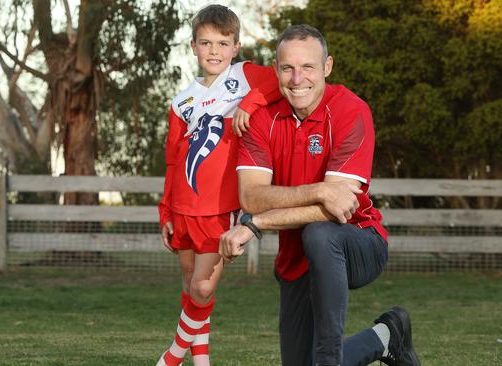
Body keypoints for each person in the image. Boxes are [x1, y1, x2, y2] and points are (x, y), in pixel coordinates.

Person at [219, 24, 421, 366]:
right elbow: (251, 197)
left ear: (327, 66)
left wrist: (256, 225)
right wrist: (319, 190)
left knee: (320, 233)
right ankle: (386, 337)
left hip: (359, 239)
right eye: (287, 68)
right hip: (294, 257)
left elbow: (338, 208)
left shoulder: (350, 110)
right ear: (277, 70)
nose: (298, 79)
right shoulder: (260, 120)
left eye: (308, 67)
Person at [156, 4, 282, 366]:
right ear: (193, 46)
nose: (214, 51)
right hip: (181, 205)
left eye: (222, 43)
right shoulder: (182, 101)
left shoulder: (244, 76)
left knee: (204, 286)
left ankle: (172, 357)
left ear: (236, 47)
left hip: (218, 206)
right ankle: (201, 362)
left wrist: (251, 103)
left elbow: (279, 81)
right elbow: (172, 159)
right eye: (206, 43)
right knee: (188, 285)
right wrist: (165, 209)